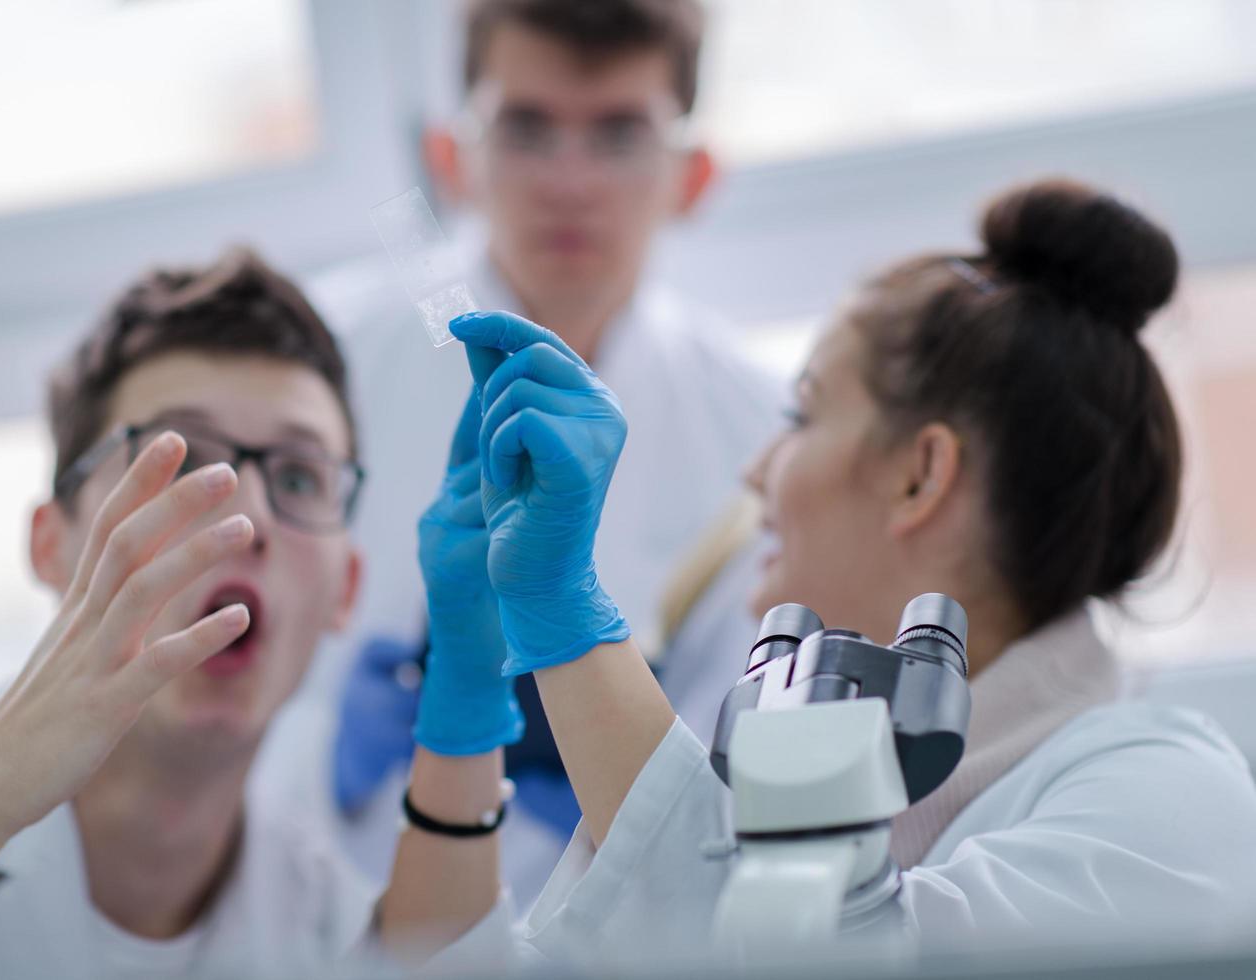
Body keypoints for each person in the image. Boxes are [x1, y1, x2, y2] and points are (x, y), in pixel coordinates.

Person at [420, 178, 1256, 969]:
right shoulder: (810, 789)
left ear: (919, 477)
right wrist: (460, 699)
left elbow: (796, 956)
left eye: (801, 414)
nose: (755, 472)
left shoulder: (1171, 793)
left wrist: (563, 611)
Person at [0, 248, 510, 980]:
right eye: (184, 460)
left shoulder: (330, 936)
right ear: (49, 544)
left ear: (347, 589)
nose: (249, 516)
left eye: (298, 475)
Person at [290, 0, 783, 907]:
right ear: (453, 158)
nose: (570, 180)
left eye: (621, 134)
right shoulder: (317, 366)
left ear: (694, 173)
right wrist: (326, 734)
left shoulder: (760, 431)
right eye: (525, 128)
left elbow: (737, 797)